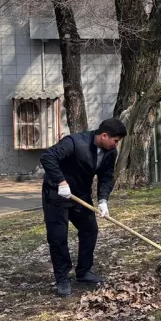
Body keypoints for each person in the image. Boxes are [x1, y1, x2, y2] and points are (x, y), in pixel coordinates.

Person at [40, 118, 127, 297]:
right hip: (57, 195)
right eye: (115, 140)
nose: (116, 144)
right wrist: (61, 182)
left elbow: (106, 176)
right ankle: (62, 278)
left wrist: (103, 200)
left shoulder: (110, 152)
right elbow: (47, 157)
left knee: (90, 230)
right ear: (104, 135)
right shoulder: (74, 142)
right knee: (58, 237)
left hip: (80, 195)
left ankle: (84, 272)